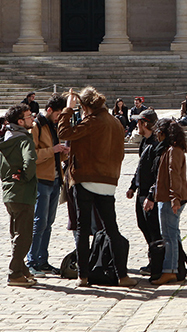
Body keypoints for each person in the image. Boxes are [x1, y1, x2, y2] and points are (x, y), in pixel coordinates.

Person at [57, 86, 136, 288]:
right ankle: (122, 275)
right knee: (112, 229)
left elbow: (64, 132)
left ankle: (83, 276)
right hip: (108, 181)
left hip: (86, 178)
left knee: (83, 230)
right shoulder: (116, 122)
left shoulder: (93, 121)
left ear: (84, 106)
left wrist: (68, 109)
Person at [26, 93, 70, 277]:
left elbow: (56, 153)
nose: (59, 118)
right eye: (58, 114)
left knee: (49, 223)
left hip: (55, 179)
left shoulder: (54, 126)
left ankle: (43, 260)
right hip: (41, 180)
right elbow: (31, 155)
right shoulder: (36, 126)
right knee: (39, 222)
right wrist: (52, 150)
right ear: (50, 110)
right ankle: (32, 261)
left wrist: (65, 152)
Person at [0, 104, 38, 287]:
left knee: (16, 233)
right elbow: (30, 160)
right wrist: (25, 176)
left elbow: (0, 169)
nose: (33, 118)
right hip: (23, 192)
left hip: (9, 192)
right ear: (20, 121)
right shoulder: (24, 139)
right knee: (24, 235)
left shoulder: (5, 138)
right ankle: (14, 273)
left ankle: (23, 270)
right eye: (29, 116)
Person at [151, 119, 187, 285]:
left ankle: (170, 270)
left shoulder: (173, 150)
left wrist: (175, 199)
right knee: (173, 234)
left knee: (169, 235)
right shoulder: (171, 149)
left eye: (158, 132)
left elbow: (174, 175)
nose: (157, 136)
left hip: (170, 198)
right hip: (168, 197)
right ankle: (177, 267)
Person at [125, 109, 161, 276]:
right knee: (143, 225)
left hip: (149, 194)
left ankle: (157, 261)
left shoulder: (156, 144)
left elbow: (158, 174)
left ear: (144, 123)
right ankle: (153, 257)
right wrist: (133, 186)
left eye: (138, 122)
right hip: (141, 192)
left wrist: (152, 196)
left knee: (153, 228)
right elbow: (141, 167)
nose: (136, 125)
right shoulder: (145, 142)